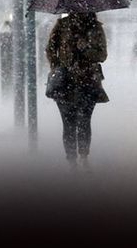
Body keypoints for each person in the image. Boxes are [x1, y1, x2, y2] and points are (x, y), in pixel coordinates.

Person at [45, 12, 108, 168]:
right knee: (69, 122)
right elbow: (50, 49)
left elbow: (102, 55)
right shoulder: (62, 26)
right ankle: (71, 159)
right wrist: (57, 67)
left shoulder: (95, 28)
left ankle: (83, 157)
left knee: (84, 121)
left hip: (88, 81)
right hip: (65, 82)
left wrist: (86, 48)